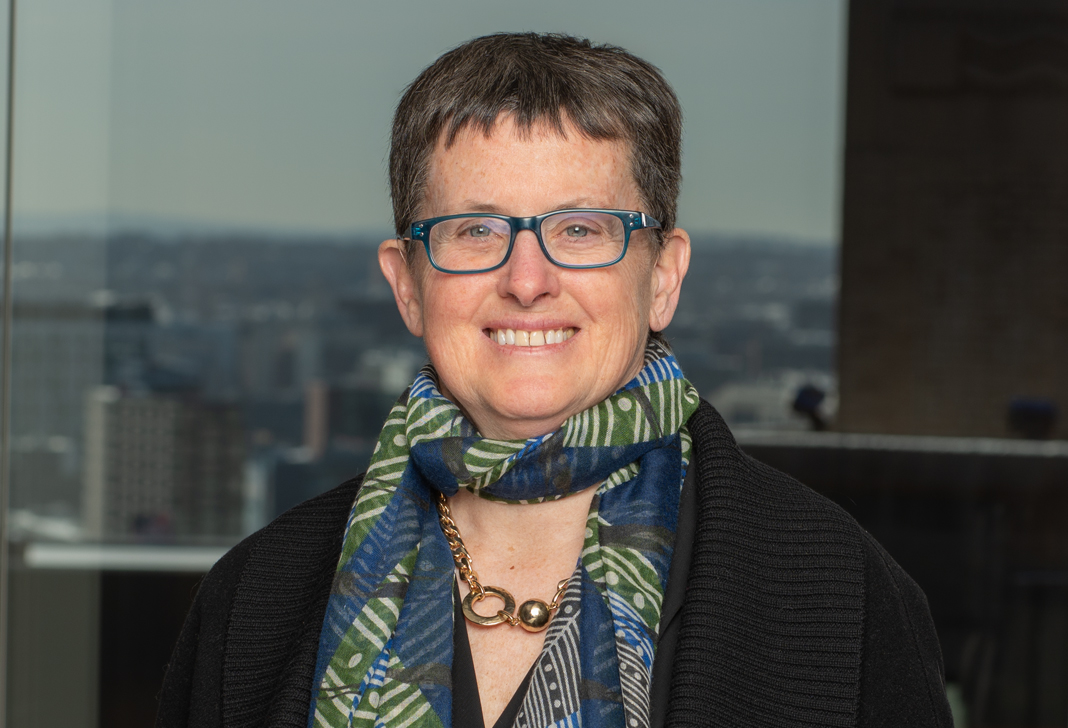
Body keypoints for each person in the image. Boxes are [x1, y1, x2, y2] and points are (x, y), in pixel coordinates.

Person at [157, 33, 953, 728]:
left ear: (663, 276)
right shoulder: (254, 602)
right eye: (476, 230)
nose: (527, 281)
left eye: (580, 229)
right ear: (407, 285)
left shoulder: (845, 600)